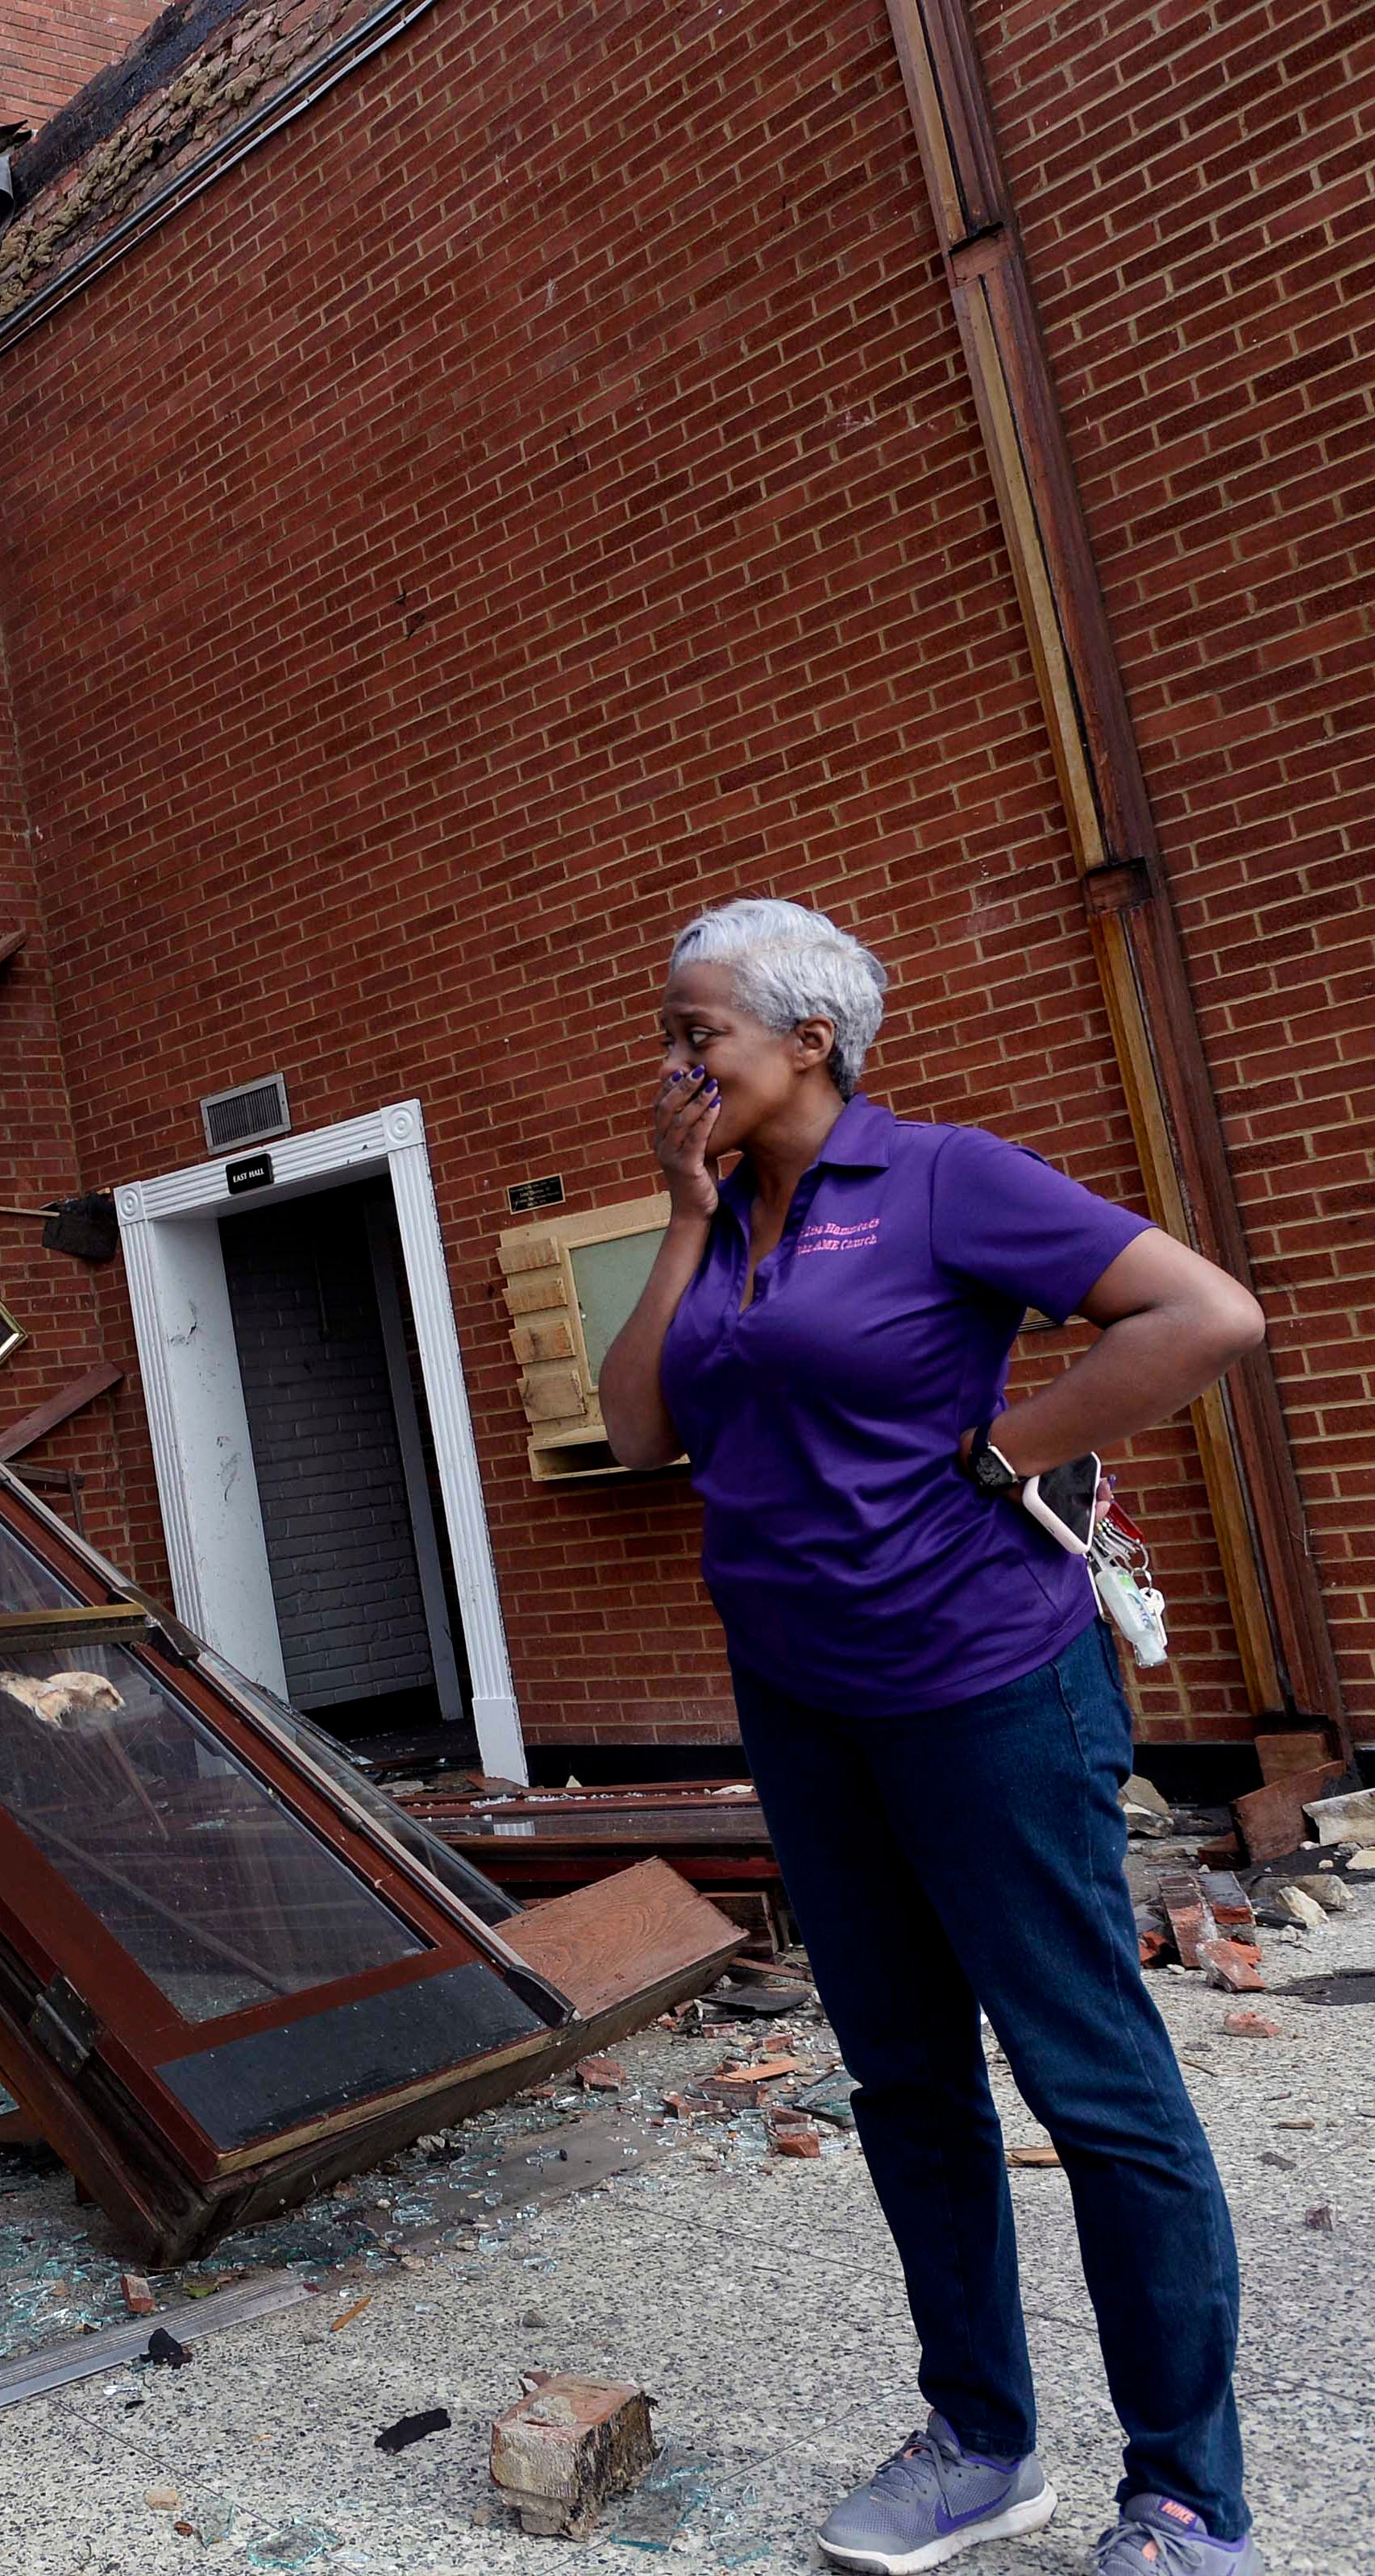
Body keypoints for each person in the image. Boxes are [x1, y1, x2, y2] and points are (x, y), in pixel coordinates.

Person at [597, 898, 1267, 2576]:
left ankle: (1185, 2496)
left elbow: (1201, 1315)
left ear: (806, 1039)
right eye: (671, 1035)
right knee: (902, 2076)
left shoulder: (942, 1176)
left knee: (1088, 2078)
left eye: (699, 1033)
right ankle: (979, 2439)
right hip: (802, 1699)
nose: (671, 1062)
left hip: (980, 1685)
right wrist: (678, 1219)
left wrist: (1001, 1452)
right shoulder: (718, 1214)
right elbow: (631, 1431)